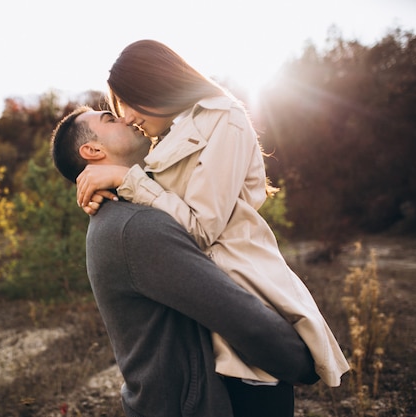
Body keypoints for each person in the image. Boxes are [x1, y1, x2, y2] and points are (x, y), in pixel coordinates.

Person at [75, 39, 350, 413]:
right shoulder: (166, 137)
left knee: (259, 394)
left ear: (153, 85)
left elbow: (201, 229)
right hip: (209, 318)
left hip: (243, 295)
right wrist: (106, 188)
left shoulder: (224, 117)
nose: (126, 117)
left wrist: (127, 180)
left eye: (126, 102)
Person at [50, 106, 319, 417]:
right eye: (110, 119)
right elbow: (234, 312)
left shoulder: (126, 214)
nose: (125, 118)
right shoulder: (135, 226)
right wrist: (301, 361)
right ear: (92, 150)